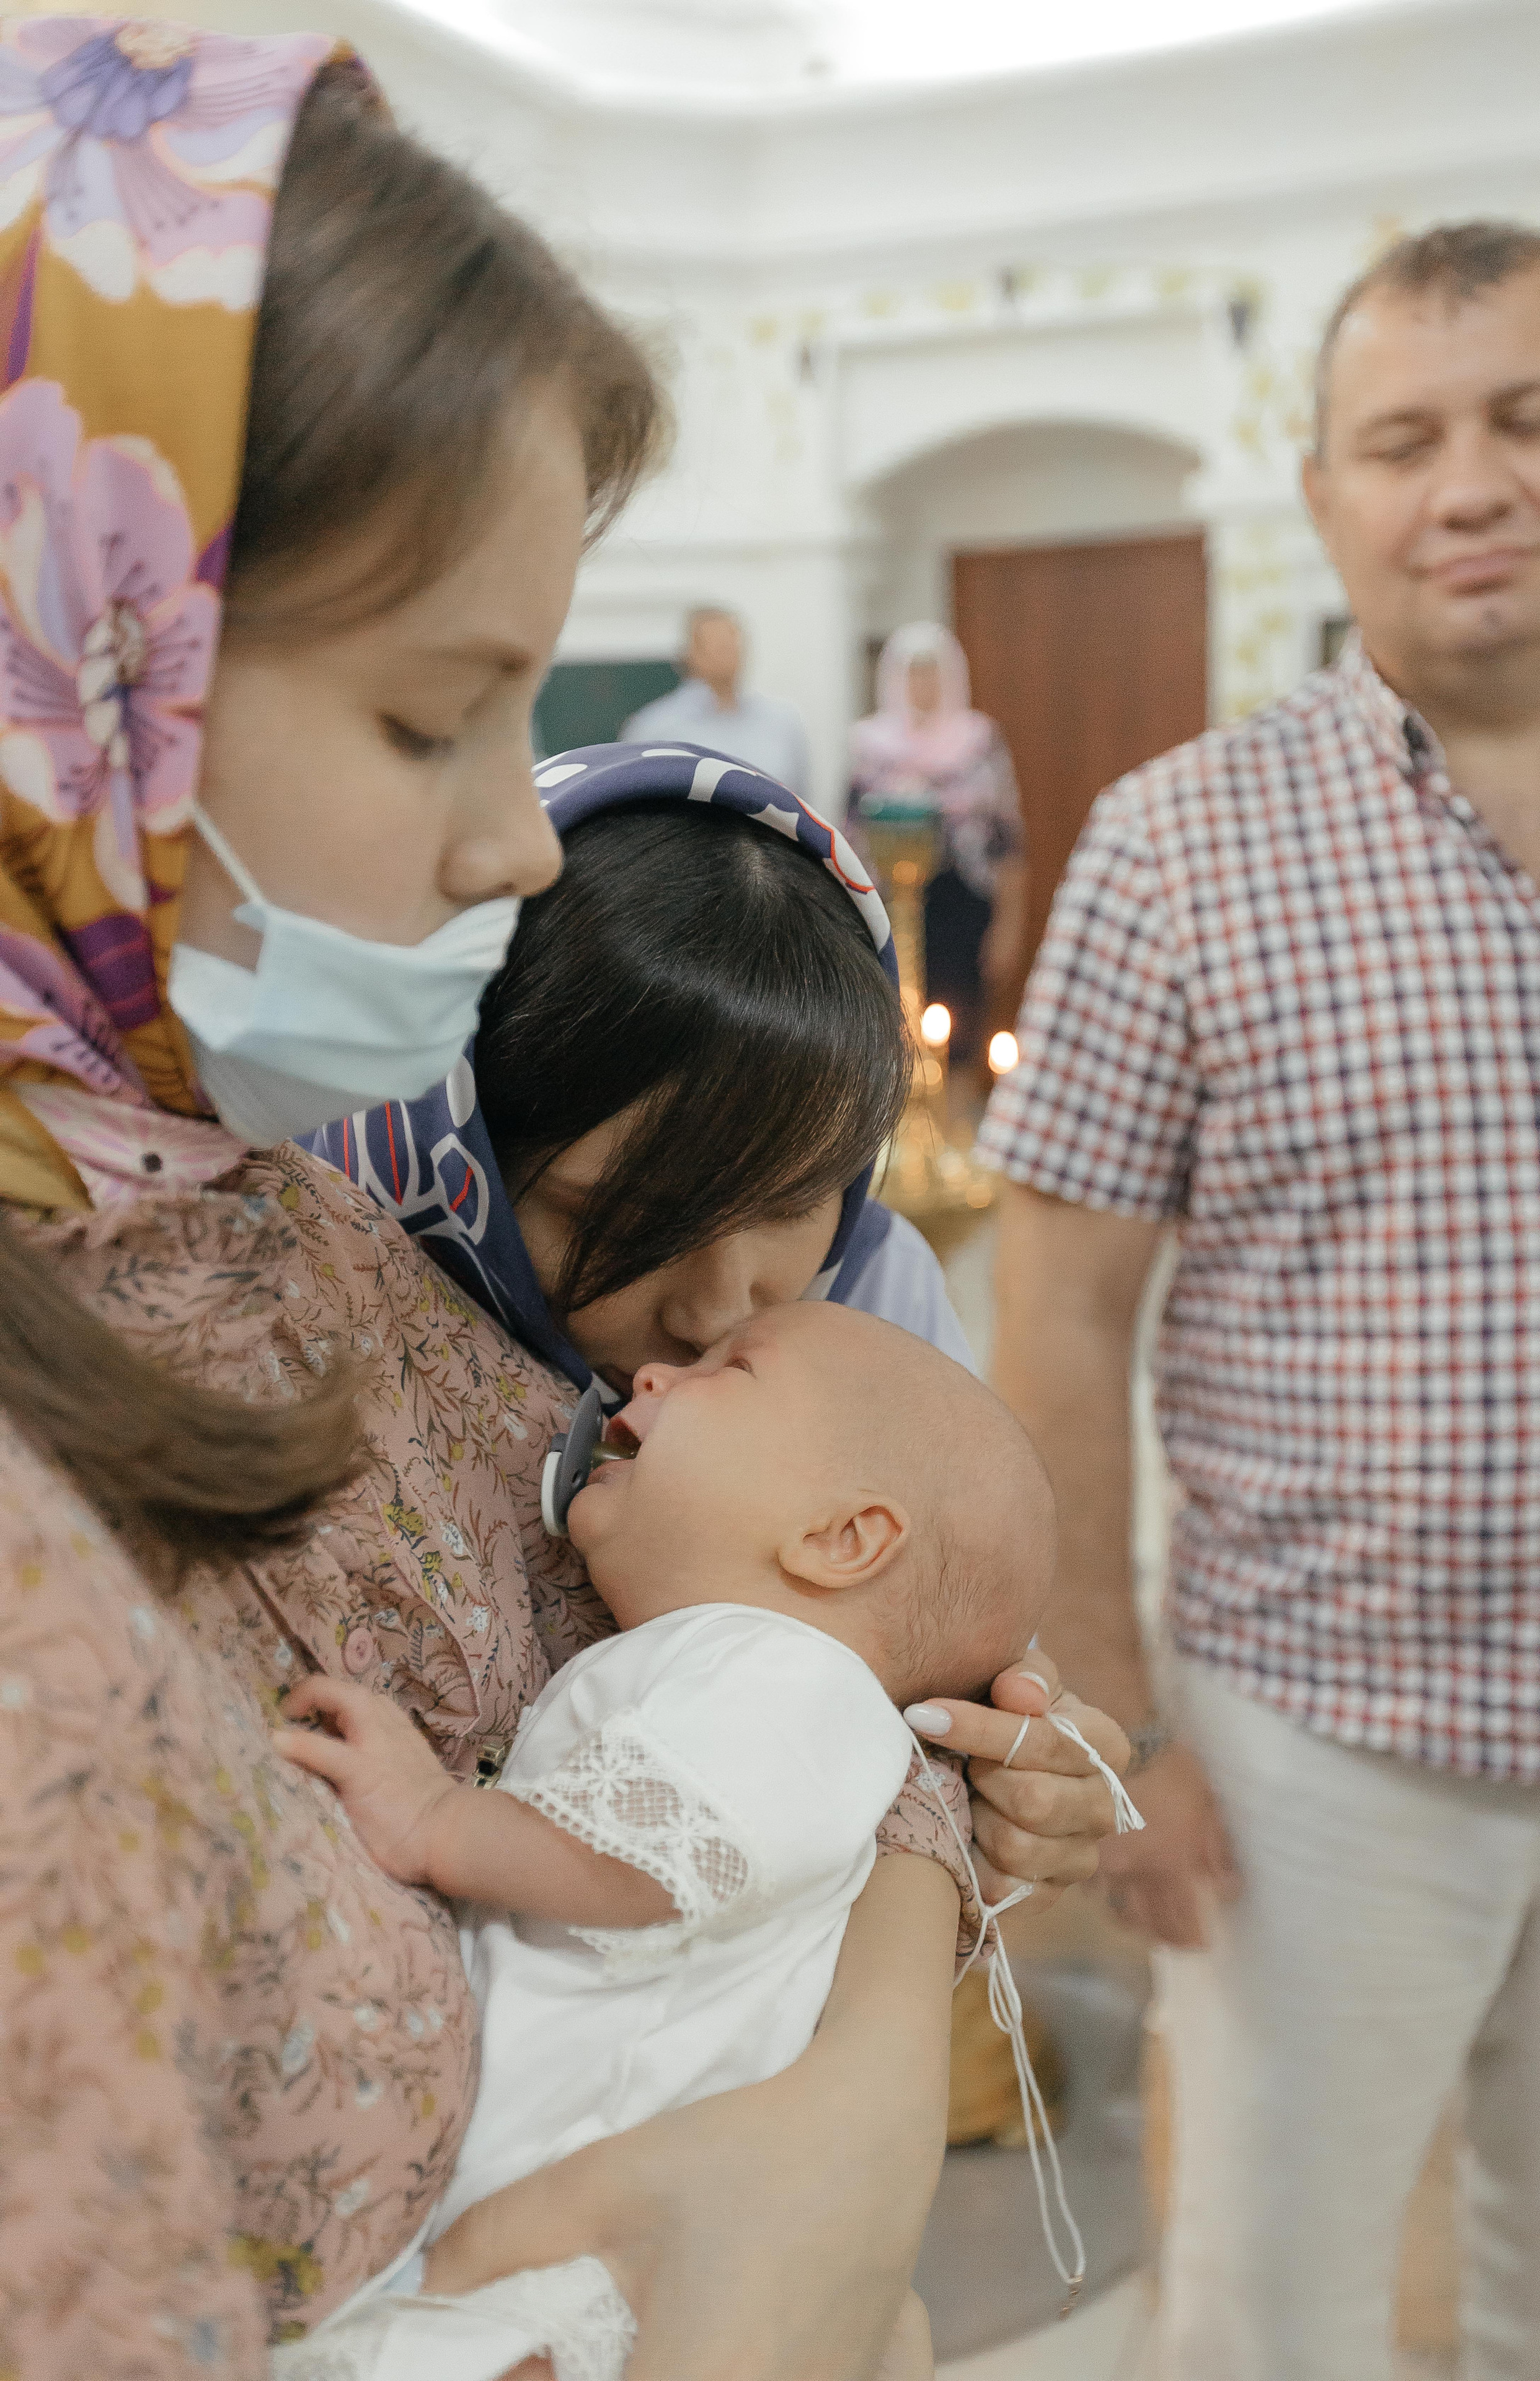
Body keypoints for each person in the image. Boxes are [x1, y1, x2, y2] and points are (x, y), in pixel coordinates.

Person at [0, 26, 1126, 2378]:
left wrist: (887, 1908)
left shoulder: (271, 1233)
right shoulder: (360, 1229)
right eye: (433, 715)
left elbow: (756, 1706)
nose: (521, 845)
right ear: (71, 669)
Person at [979, 219, 1540, 2381]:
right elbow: (1053, 1317)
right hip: (1321, 1741)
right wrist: (1118, 1725)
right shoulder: (1179, 848)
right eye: (1403, 439)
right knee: (1275, 2322)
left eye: (1532, 417)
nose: (1471, 483)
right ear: (1327, 497)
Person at [272, 1302, 1057, 2381]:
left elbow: (661, 1856)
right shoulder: (742, 1668)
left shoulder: (788, 1678)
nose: (650, 1379)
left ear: (842, 1540)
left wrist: (440, 1822)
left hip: (580, 2241)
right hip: (565, 2230)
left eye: (729, 1372)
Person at [307, 740, 975, 1398]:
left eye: (793, 1203)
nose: (716, 1315)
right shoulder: (303, 1304)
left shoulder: (882, 1306)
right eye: (625, 1223)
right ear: (456, 1150)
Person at [849, 623, 1026, 1070]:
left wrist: (1008, 926)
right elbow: (849, 837)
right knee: (896, 1026)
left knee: (962, 1027)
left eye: (932, 673)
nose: (922, 685)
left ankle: (955, 1133)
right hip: (890, 907)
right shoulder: (870, 746)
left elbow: (1008, 839)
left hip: (964, 901)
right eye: (913, 673)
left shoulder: (979, 741)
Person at [622, 607, 810, 799]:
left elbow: (803, 803)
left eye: (734, 644)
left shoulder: (783, 722)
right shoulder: (654, 730)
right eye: (718, 646)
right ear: (692, 654)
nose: (730, 654)